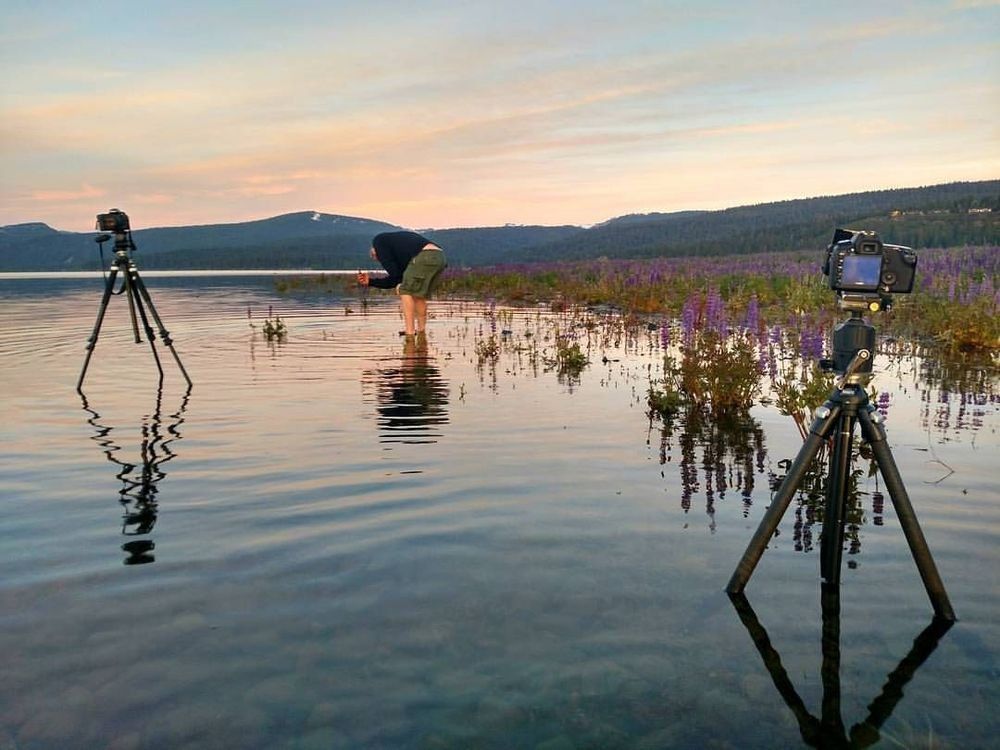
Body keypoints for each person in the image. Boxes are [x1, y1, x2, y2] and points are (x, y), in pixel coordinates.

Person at [357, 231, 447, 337]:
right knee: (418, 295)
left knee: (405, 291)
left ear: (374, 252)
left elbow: (395, 277)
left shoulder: (379, 242)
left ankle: (410, 332)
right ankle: (421, 332)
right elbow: (398, 278)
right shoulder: (399, 249)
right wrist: (371, 282)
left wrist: (372, 281)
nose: (381, 261)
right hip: (440, 257)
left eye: (379, 259)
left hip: (424, 256)